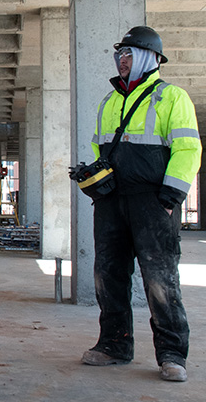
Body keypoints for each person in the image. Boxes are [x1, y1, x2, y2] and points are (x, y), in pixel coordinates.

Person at [82, 26, 201, 382]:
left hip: (153, 202)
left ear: (149, 58)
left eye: (129, 54)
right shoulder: (109, 100)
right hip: (111, 202)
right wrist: (95, 179)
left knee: (160, 279)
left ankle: (171, 354)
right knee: (108, 275)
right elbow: (99, 148)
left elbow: (188, 149)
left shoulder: (171, 97)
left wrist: (171, 196)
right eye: (119, 54)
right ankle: (114, 346)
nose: (122, 60)